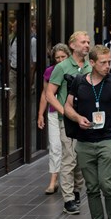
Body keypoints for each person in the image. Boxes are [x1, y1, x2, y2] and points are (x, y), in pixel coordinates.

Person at [64, 45, 111, 219]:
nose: (108, 66)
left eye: (109, 61)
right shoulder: (79, 83)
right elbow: (67, 106)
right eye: (103, 62)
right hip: (84, 143)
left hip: (107, 141)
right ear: (92, 63)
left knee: (106, 185)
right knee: (91, 188)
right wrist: (77, 118)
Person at [45, 31, 91, 215]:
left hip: (87, 121)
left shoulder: (90, 65)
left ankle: (77, 191)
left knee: (81, 160)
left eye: (88, 42)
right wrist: (66, 112)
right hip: (68, 122)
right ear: (72, 45)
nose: (87, 45)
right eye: (83, 42)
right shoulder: (62, 67)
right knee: (69, 159)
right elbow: (49, 94)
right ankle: (68, 199)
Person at [37, 43, 71, 195]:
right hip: (52, 113)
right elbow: (45, 94)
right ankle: (53, 180)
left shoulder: (73, 70)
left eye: (63, 57)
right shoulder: (49, 72)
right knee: (55, 146)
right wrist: (40, 114)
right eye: (57, 57)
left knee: (69, 148)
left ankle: (68, 179)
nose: (60, 60)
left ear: (68, 56)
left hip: (70, 113)